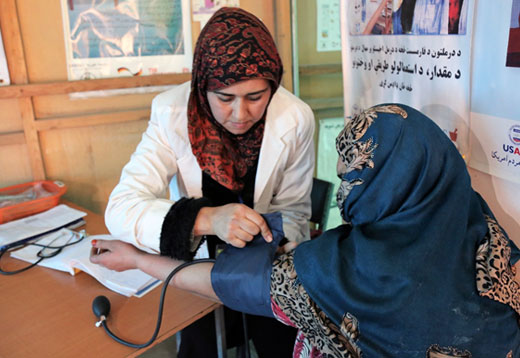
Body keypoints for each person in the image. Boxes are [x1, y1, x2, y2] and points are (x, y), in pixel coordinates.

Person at [93, 103, 520, 357]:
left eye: (354, 179)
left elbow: (223, 280)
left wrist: (136, 259)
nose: (344, 195)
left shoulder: (336, 272)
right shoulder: (492, 240)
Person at [102, 7, 315, 357]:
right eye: (225, 98)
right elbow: (122, 207)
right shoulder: (170, 113)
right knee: (199, 348)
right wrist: (208, 219)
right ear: (203, 85)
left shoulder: (295, 118)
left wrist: (281, 244)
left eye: (255, 97)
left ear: (272, 85)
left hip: (265, 266)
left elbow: (292, 208)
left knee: (283, 346)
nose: (240, 114)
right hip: (197, 266)